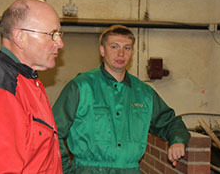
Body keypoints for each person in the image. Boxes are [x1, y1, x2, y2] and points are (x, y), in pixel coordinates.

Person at [52, 25, 191, 173]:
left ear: (132, 52)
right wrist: (64, 170)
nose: (120, 54)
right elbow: (53, 131)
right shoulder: (81, 87)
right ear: (102, 50)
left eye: (127, 48)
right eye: (114, 47)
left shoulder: (144, 93)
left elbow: (170, 121)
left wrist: (177, 141)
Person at [0, 0, 65, 173]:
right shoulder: (0, 92)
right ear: (20, 37)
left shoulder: (27, 81)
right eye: (52, 35)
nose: (60, 43)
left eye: (59, 35)